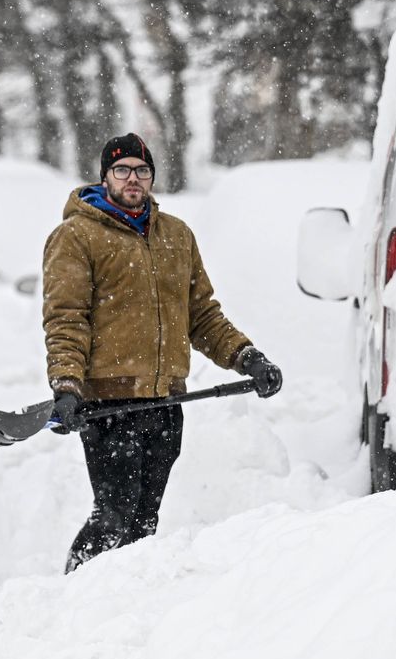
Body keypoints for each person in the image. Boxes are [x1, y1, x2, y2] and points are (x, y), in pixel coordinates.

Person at [42, 132, 284, 572]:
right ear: (105, 176)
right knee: (112, 516)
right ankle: (68, 598)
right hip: (109, 404)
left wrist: (247, 357)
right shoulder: (76, 236)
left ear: (152, 177)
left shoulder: (176, 235)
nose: (132, 178)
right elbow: (66, 318)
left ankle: (126, 601)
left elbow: (202, 315)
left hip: (166, 401)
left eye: (142, 170)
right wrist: (67, 385)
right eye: (122, 170)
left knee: (143, 522)